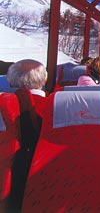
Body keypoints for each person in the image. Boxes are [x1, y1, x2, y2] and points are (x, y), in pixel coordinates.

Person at [6, 59, 48, 210]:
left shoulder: (4, 106)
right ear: (44, 80)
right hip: (43, 182)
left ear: (10, 82)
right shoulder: (54, 107)